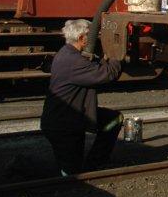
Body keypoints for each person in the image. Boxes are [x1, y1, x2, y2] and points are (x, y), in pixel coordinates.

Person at [40, 19, 123, 175]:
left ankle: (95, 163)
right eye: (90, 35)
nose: (94, 38)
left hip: (74, 117)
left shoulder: (67, 53)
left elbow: (94, 67)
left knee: (114, 119)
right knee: (71, 174)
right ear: (81, 38)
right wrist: (116, 54)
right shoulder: (73, 62)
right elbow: (108, 74)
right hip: (63, 125)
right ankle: (22, 164)